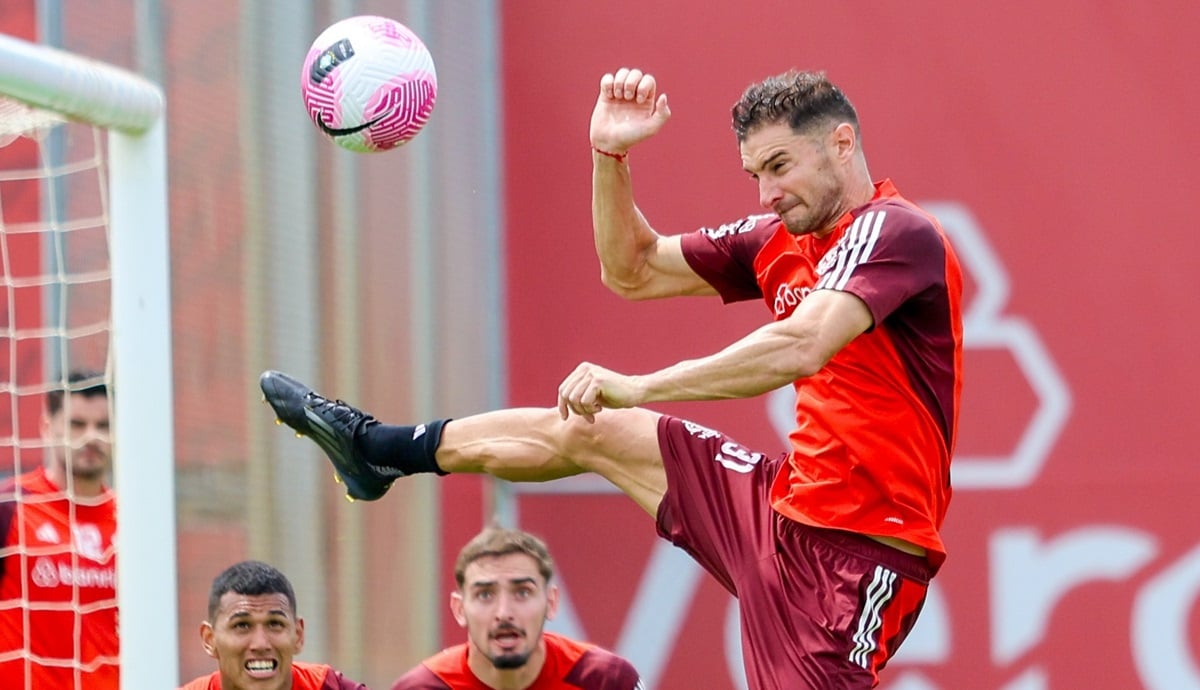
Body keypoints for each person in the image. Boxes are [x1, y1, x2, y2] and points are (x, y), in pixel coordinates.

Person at [260, 65, 963, 690]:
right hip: (781, 503)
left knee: (621, 408)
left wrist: (640, 383)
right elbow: (633, 269)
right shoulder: (781, 240)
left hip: (855, 557)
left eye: (780, 166)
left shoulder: (896, 233)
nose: (768, 191)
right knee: (600, 431)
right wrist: (610, 155)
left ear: (841, 143)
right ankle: (379, 449)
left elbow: (801, 346)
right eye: (755, 174)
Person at [392, 525, 643, 690]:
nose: (504, 613)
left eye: (522, 592)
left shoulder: (606, 681)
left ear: (551, 603)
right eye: (485, 594)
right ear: (459, 609)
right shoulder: (422, 687)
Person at [0, 370, 118, 689]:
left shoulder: (131, 523)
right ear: (47, 427)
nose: (91, 437)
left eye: (103, 426)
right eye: (77, 425)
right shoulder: (9, 507)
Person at [179, 559, 368, 690]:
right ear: (209, 640)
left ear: (298, 635)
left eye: (275, 624)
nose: (261, 644)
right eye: (242, 626)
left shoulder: (327, 687)